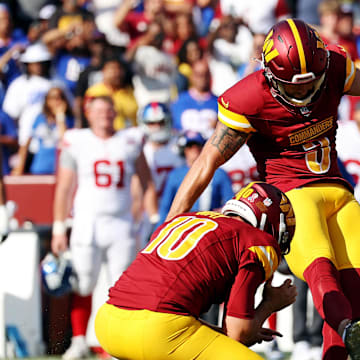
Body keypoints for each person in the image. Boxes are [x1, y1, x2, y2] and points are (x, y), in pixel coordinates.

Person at [165, 18, 360, 359]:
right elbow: (206, 162)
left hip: (339, 192)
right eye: (294, 87)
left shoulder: (335, 67)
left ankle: (344, 339)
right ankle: (347, 329)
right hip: (293, 196)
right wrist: (172, 220)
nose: (303, 93)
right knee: (322, 272)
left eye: (308, 84)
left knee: (356, 287)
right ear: (269, 73)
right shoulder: (249, 97)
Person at [95, 181, 297, 360]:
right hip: (158, 332)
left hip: (108, 321)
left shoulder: (183, 219)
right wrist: (270, 304)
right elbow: (237, 334)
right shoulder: (256, 241)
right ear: (272, 225)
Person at [51, 95, 158, 359]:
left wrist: (148, 219)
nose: (105, 116)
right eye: (99, 111)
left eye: (109, 111)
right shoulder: (77, 141)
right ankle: (78, 340)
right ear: (88, 114)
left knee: (120, 285)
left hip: (121, 223)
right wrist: (58, 227)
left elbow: (147, 182)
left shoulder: (130, 140)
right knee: (83, 283)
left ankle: (113, 344)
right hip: (87, 221)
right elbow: (64, 187)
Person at [159, 130, 233, 225]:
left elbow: (229, 202)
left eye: (198, 146)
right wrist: (160, 231)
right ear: (184, 150)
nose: (194, 150)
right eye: (190, 146)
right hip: (184, 224)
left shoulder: (219, 173)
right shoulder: (175, 175)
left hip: (211, 223)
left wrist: (221, 213)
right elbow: (165, 207)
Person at [12, 86, 74, 175]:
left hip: (60, 170)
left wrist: (60, 116)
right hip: (39, 168)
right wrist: (19, 167)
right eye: (52, 98)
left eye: (59, 98)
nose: (56, 101)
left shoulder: (69, 120)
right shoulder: (39, 118)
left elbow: (66, 141)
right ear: (47, 101)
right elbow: (26, 144)